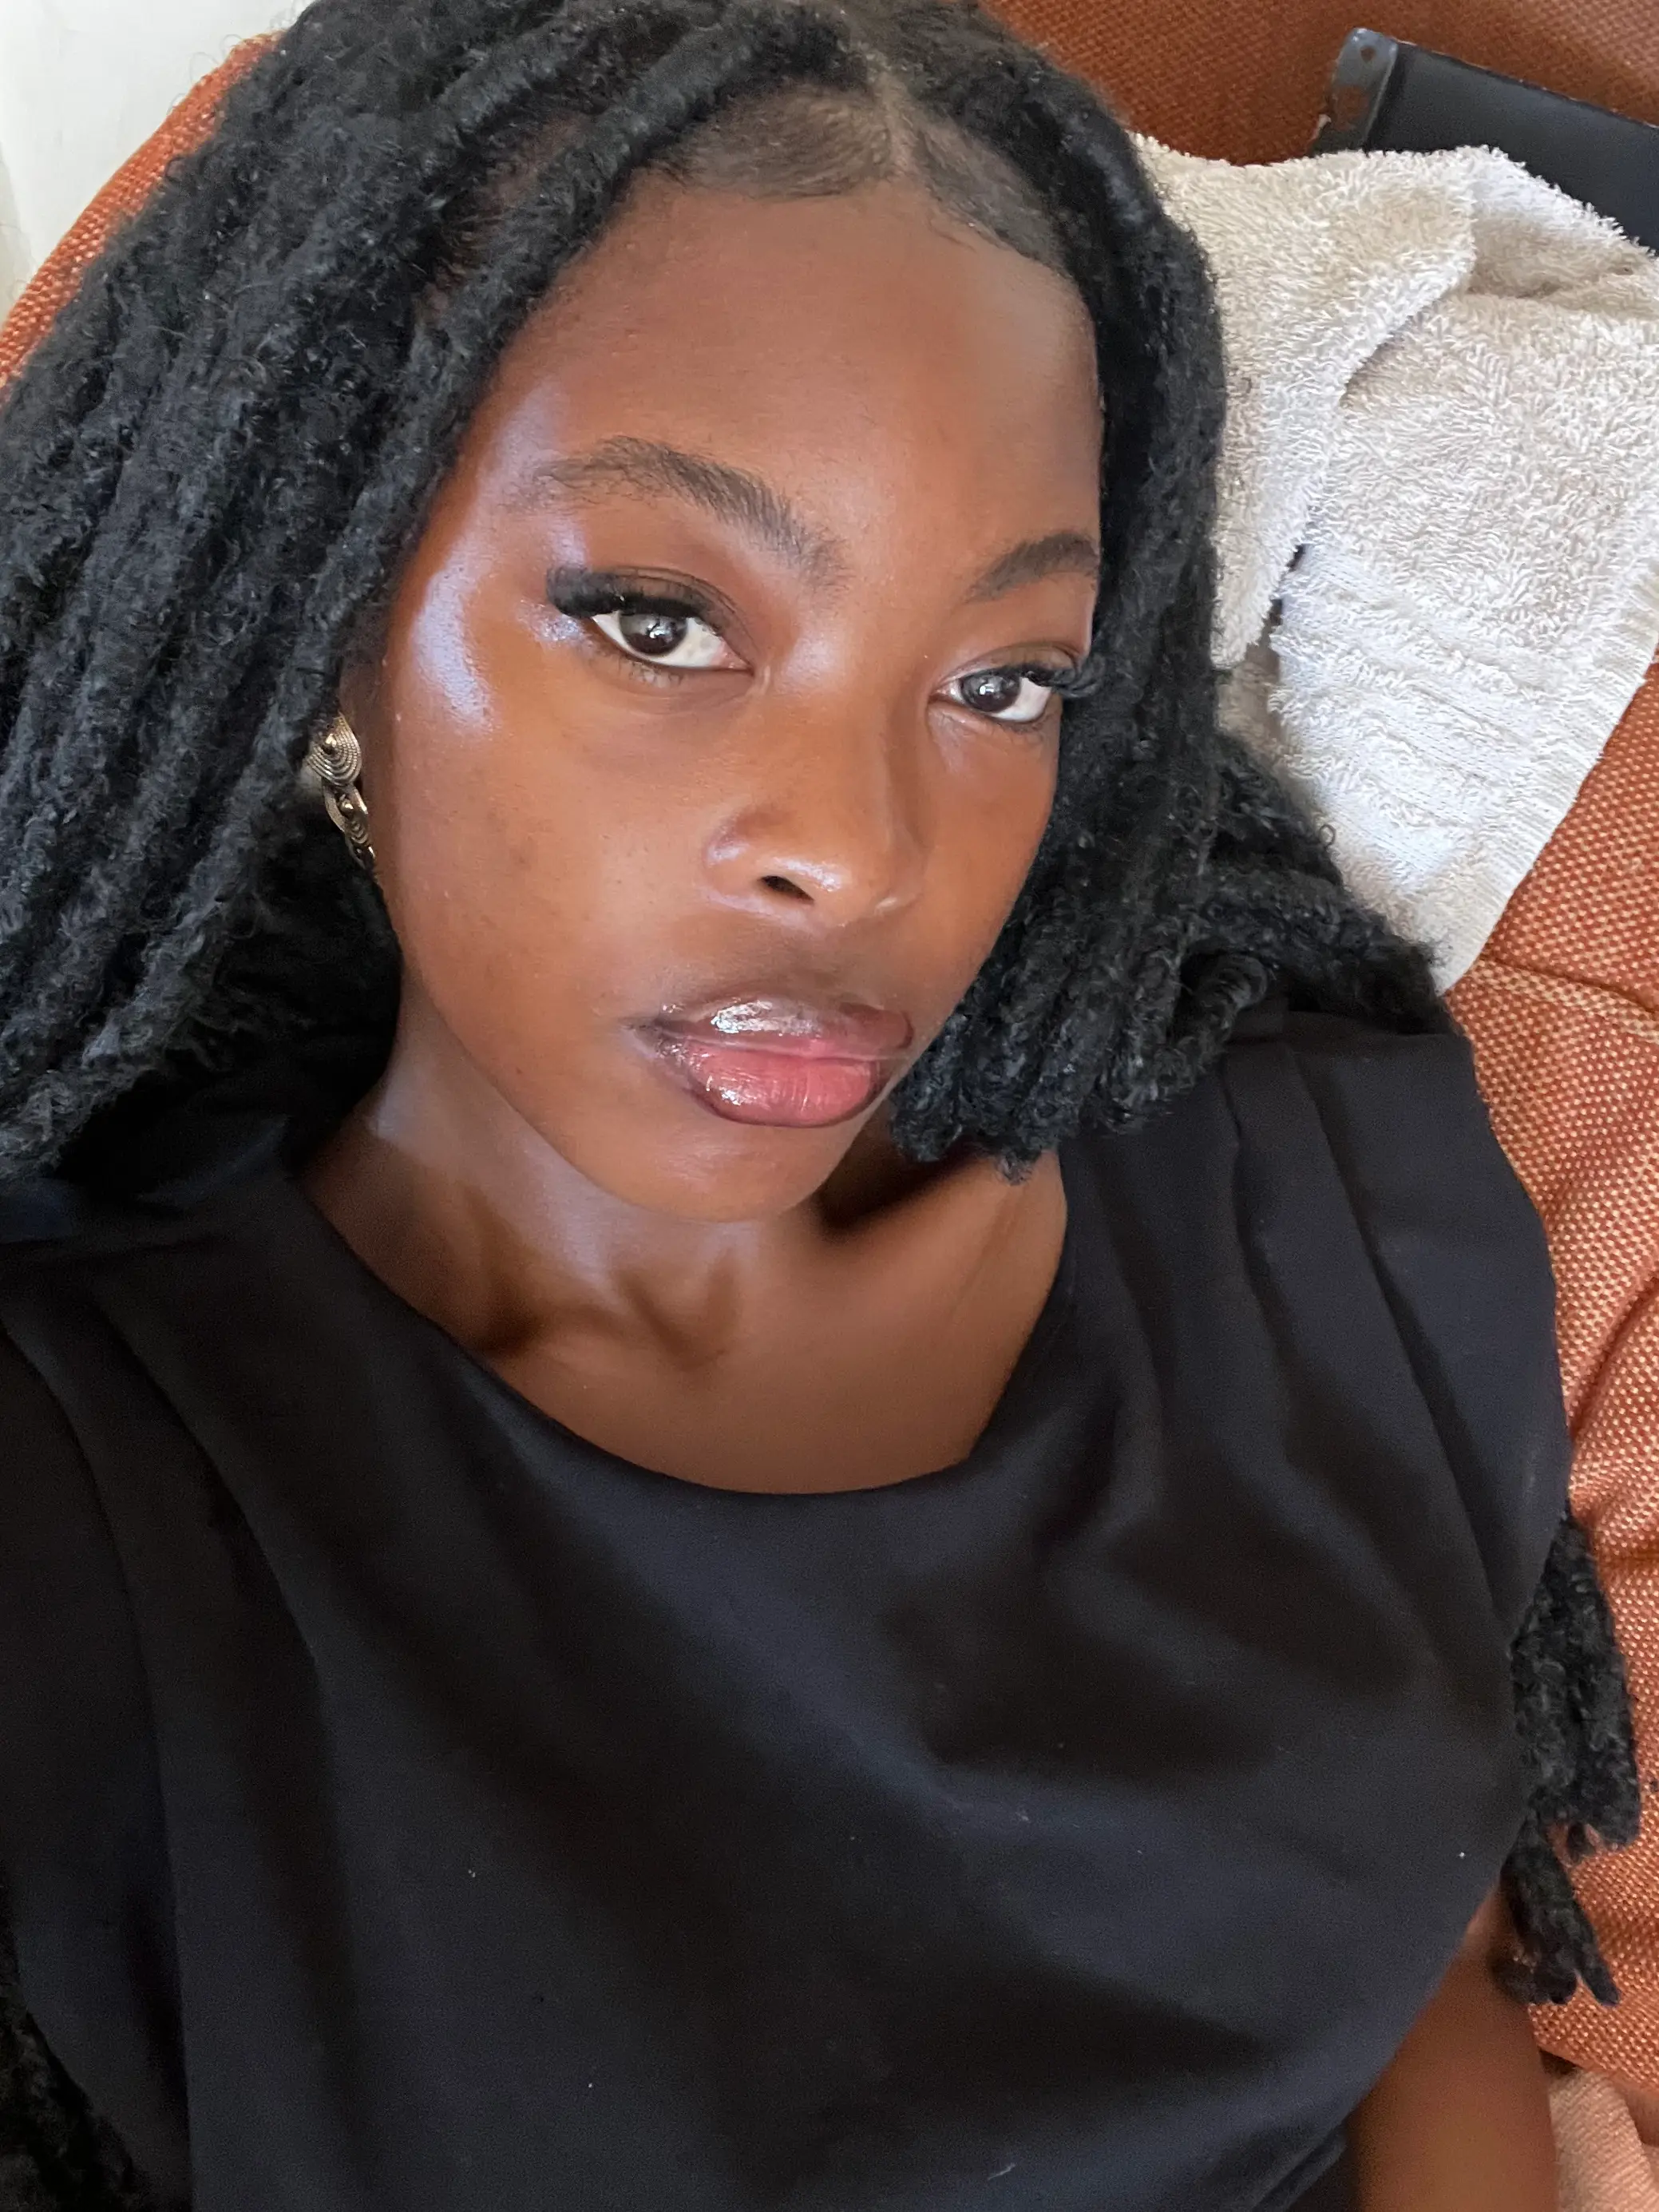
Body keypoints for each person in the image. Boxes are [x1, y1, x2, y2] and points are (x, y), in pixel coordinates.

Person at [0, 0, 1639, 2205]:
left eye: (1001, 681)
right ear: (327, 587)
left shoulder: (1300, 1184)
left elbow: (1428, 1987)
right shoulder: (91, 1505)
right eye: (659, 622)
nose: (859, 854)